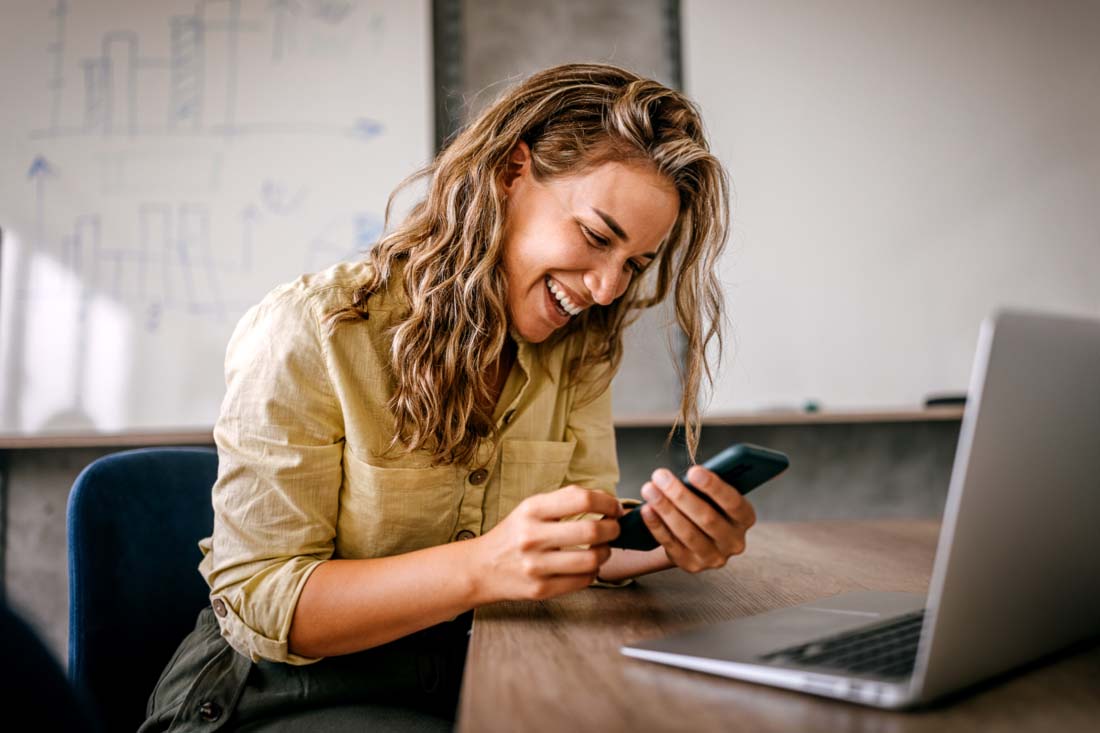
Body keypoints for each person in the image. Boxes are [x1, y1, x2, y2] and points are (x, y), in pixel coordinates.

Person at [140, 62, 755, 732]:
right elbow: (262, 599)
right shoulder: (310, 330)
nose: (607, 288)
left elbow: (563, 546)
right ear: (511, 172)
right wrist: (481, 566)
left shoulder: (576, 348)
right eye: (596, 236)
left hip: (462, 676)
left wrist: (663, 539)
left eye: (634, 263)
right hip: (272, 695)